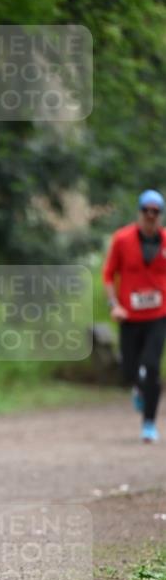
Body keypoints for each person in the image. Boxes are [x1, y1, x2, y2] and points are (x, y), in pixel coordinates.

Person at [103, 189, 166, 443]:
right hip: (129, 316)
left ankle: (149, 424)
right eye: (146, 211)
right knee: (129, 370)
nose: (150, 216)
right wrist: (113, 304)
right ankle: (138, 388)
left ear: (160, 214)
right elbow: (108, 274)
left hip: (158, 315)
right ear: (139, 212)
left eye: (156, 212)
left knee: (151, 367)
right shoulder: (122, 239)